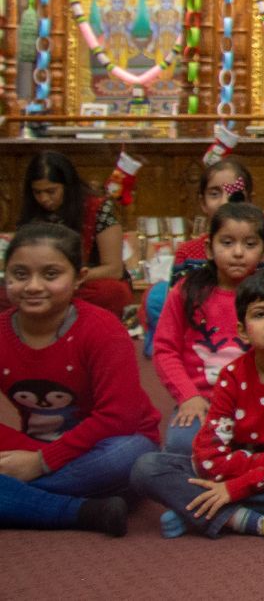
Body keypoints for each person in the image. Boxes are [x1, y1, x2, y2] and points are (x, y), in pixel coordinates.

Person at [132, 267, 264, 542]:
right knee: (146, 468)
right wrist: (251, 472)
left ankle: (201, 511)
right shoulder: (231, 376)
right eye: (260, 314)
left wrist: (235, 488)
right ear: (242, 331)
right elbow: (208, 454)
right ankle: (244, 520)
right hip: (258, 467)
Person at [0, 222, 158, 536]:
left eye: (50, 274)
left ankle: (27, 499)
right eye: (19, 274)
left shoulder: (103, 329)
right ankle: (86, 511)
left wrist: (40, 463)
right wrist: (29, 454)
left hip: (105, 448)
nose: (32, 286)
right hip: (38, 447)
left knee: (136, 456)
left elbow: (118, 418)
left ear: (79, 278)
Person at [152, 202, 264, 454]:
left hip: (259, 403)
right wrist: (188, 396)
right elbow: (164, 350)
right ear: (208, 248)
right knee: (181, 446)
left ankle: (237, 484)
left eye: (250, 244)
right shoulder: (186, 291)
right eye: (227, 243)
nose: (238, 252)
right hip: (201, 401)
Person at [145, 156, 254, 344]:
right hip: (201, 341)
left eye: (233, 193)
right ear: (202, 202)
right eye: (214, 194)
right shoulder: (188, 252)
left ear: (249, 199)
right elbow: (177, 313)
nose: (224, 201)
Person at [19, 150, 130, 317]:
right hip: (40, 284)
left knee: (112, 292)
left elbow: (114, 269)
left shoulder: (97, 208)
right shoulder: (33, 213)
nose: (43, 198)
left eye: (51, 191)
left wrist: (67, 278)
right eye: (37, 192)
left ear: (68, 187)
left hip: (83, 283)